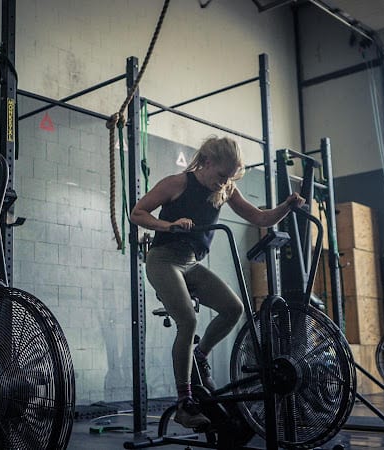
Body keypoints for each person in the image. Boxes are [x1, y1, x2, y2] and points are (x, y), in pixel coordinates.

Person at [130, 136, 304, 429]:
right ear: (207, 163)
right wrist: (168, 225)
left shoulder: (226, 189)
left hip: (191, 263)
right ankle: (184, 404)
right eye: (222, 175)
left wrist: (287, 206)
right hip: (162, 259)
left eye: (230, 177)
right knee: (188, 321)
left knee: (233, 308)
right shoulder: (178, 183)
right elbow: (137, 213)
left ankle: (199, 356)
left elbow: (261, 219)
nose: (224, 183)